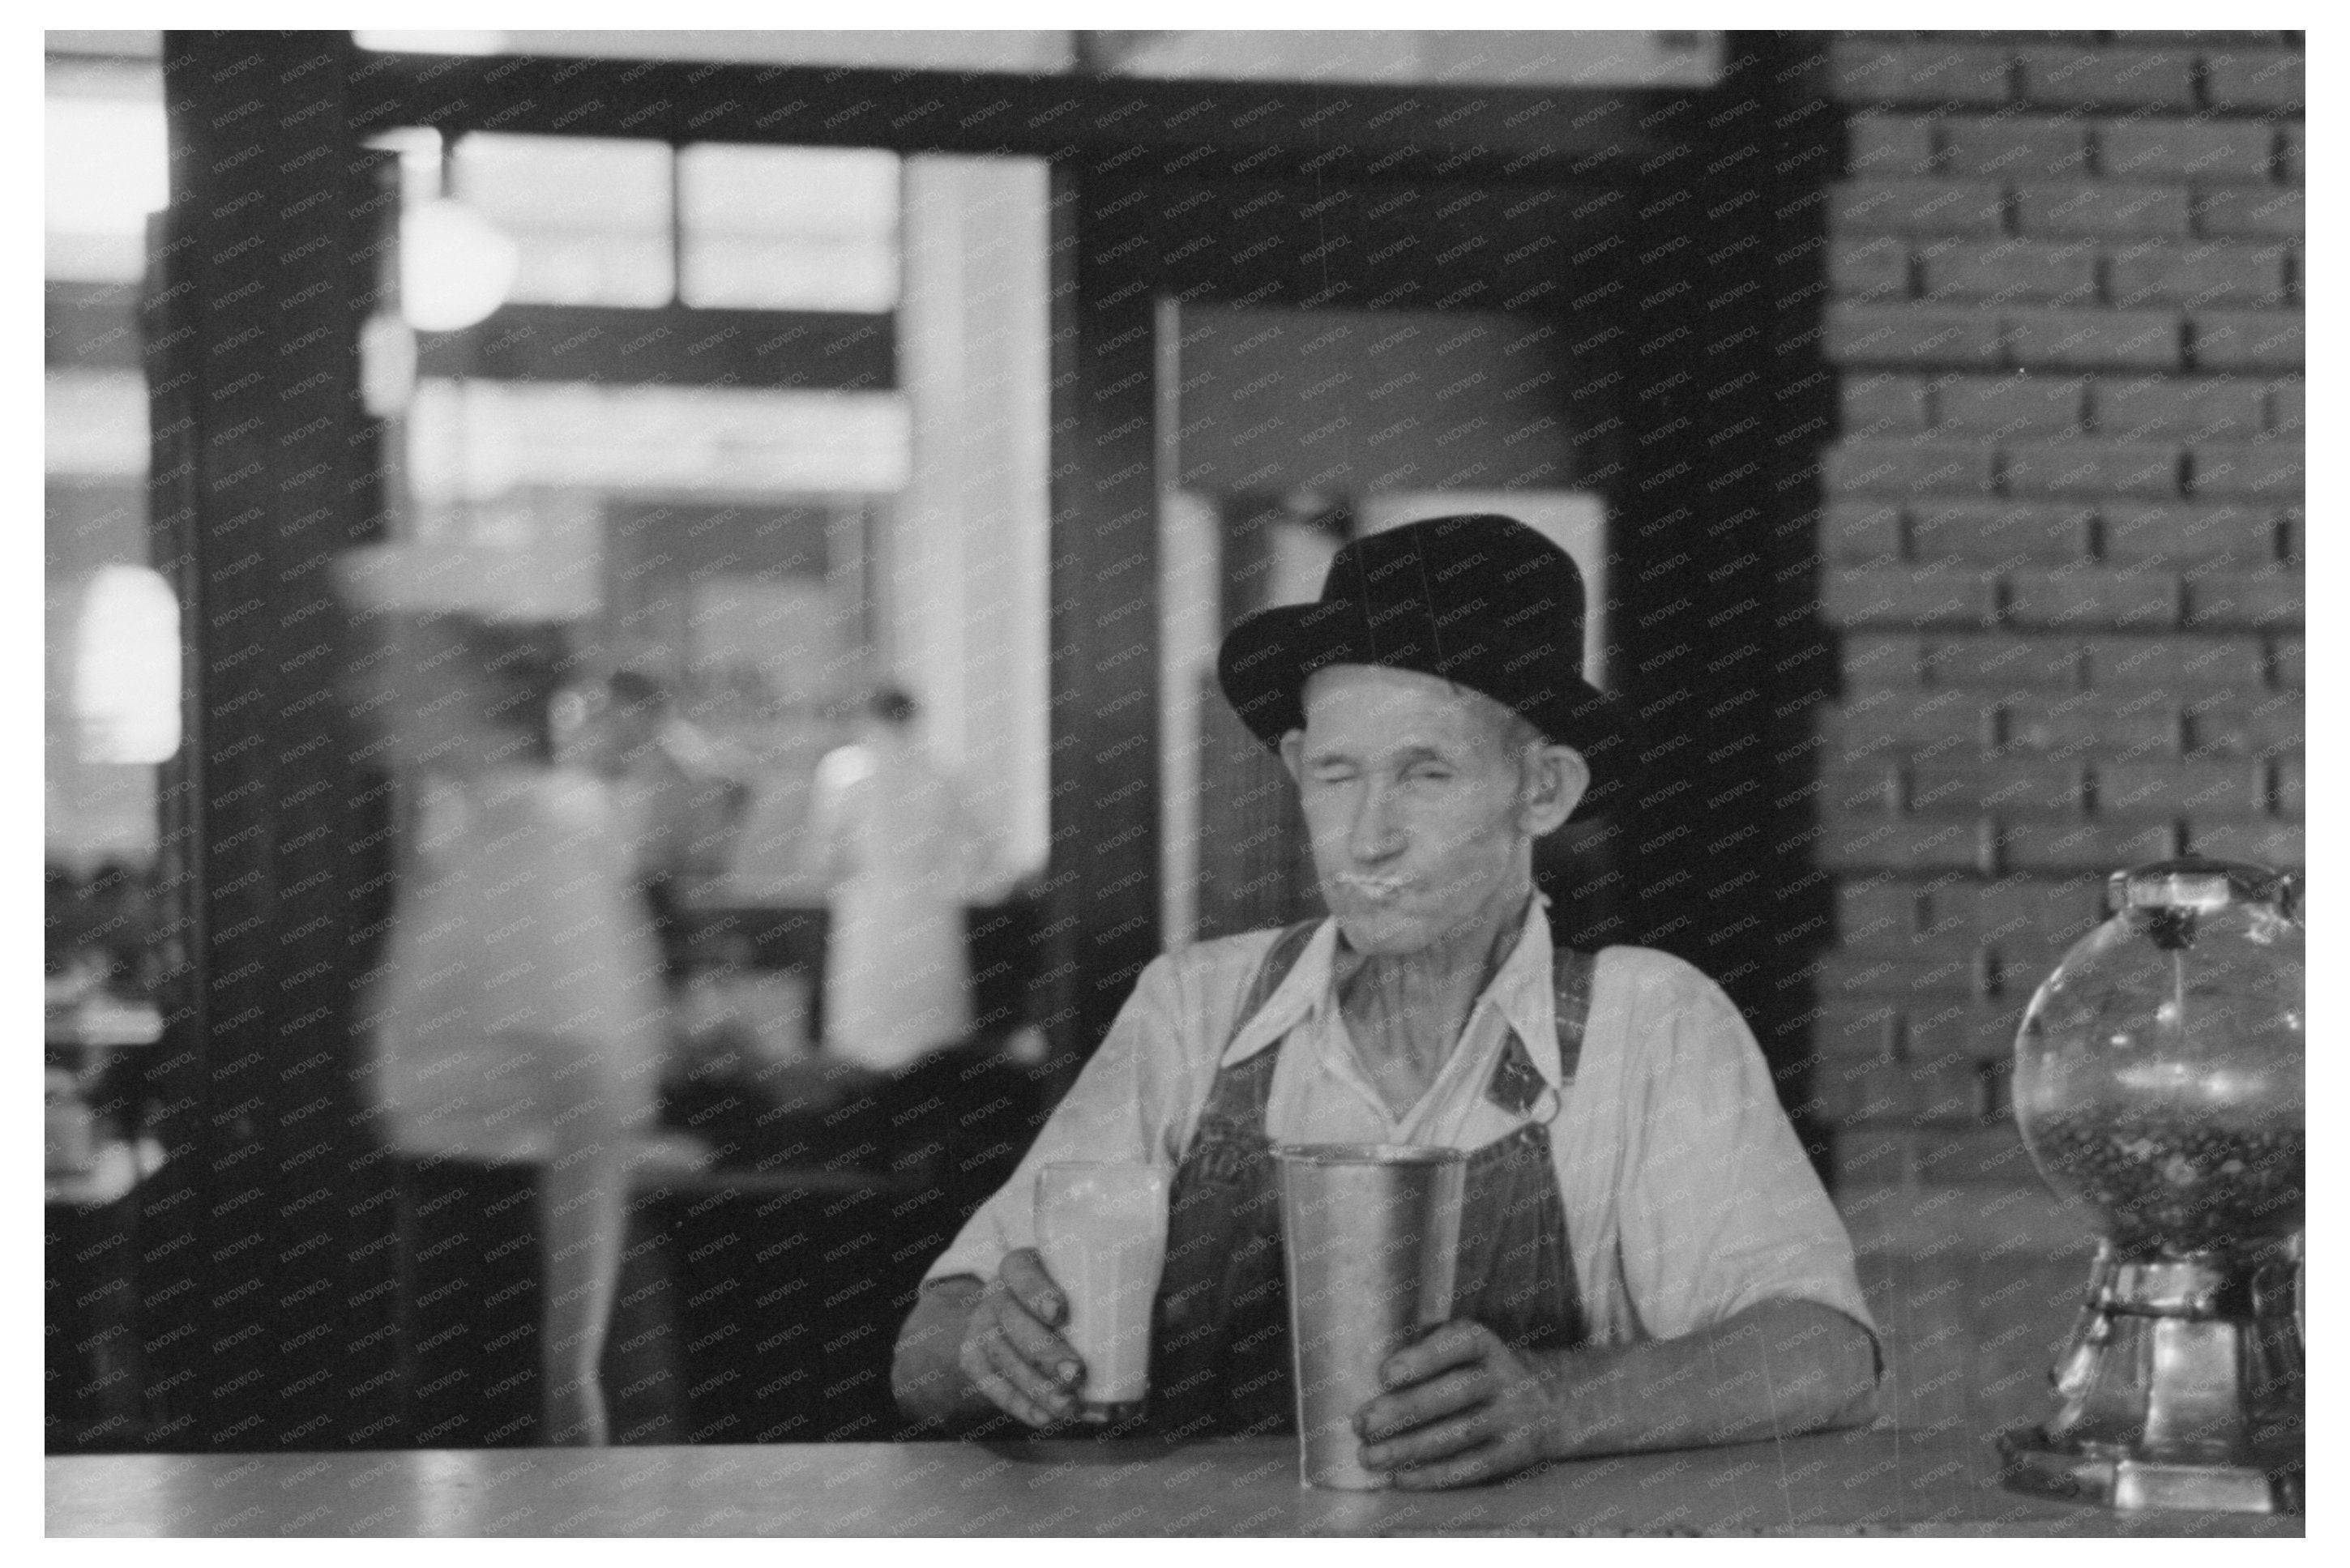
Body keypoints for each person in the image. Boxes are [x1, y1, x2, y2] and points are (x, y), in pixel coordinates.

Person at [891, 514, 1880, 1487]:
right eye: (1336, 774)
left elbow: (1821, 1355)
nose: (1366, 838)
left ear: (1542, 790)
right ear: (1294, 771)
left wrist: (1563, 1402)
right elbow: (925, 1353)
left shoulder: (1648, 1022)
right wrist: (991, 1348)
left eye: (1425, 773)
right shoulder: (1194, 1009)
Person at [343, 542, 669, 1447]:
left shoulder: (536, 842)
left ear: (472, 680)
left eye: (394, 660)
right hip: (473, 1257)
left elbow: (587, 1104)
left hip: (517, 1268)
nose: (365, 689)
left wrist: (568, 1372)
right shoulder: (482, 834)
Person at [806, 686, 1005, 1074]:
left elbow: (823, 854)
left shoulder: (844, 772)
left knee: (867, 1031)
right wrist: (955, 883)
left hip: (870, 907)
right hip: (928, 907)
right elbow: (984, 847)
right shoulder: (940, 772)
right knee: (930, 1034)